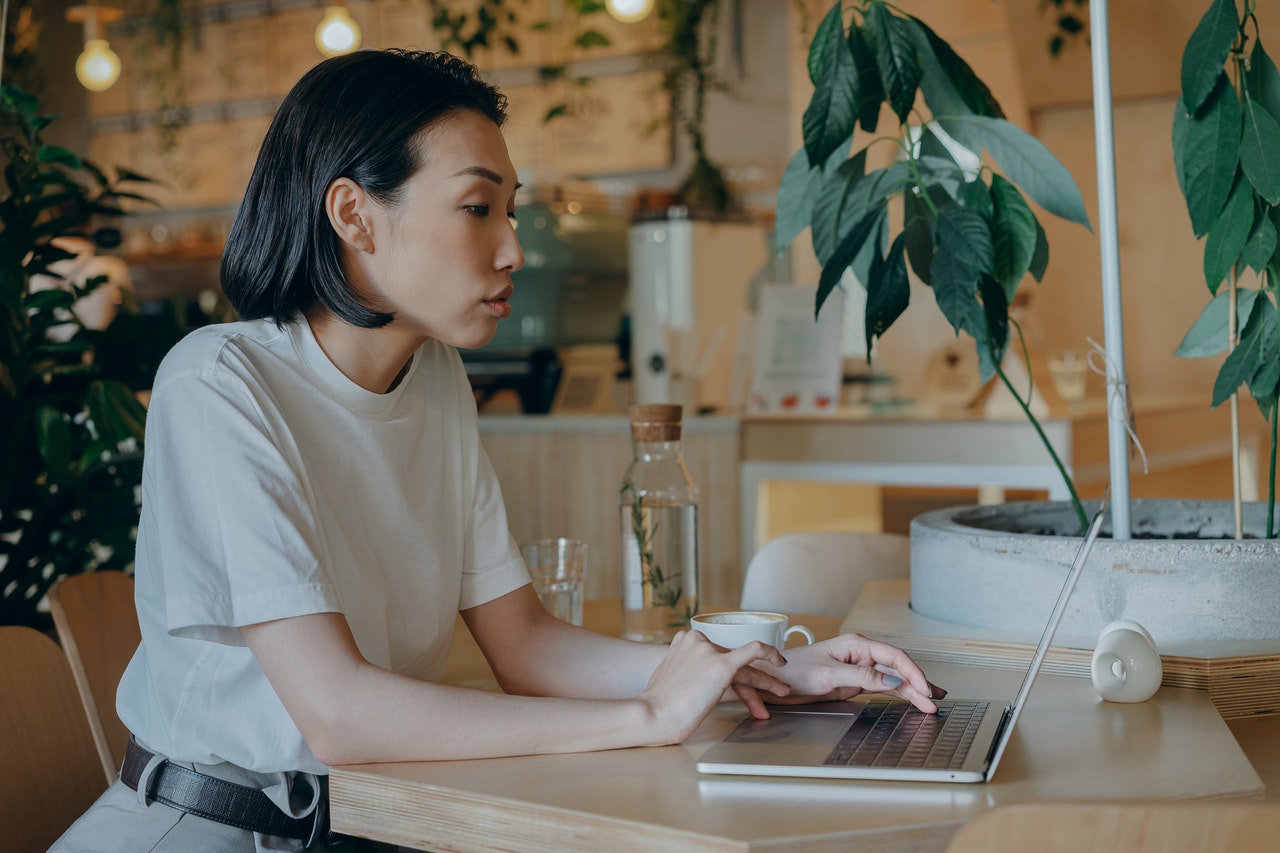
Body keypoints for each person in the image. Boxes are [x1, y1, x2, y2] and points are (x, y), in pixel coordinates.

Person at [52, 49, 940, 853]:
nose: (514, 247)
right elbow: (337, 714)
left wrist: (769, 667)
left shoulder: (435, 379)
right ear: (354, 214)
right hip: (206, 825)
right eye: (478, 207)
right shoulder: (218, 382)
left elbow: (527, 646)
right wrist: (647, 713)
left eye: (510, 210)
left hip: (375, 819)